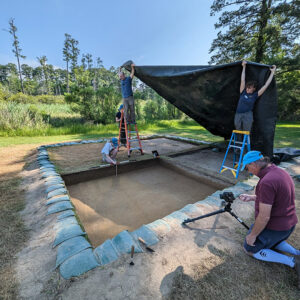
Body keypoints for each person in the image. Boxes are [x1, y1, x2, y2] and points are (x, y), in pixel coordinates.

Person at [239, 150, 300, 289]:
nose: (249, 172)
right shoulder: (279, 171)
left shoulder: (266, 181)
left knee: (249, 247)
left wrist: (253, 236)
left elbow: (264, 216)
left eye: (247, 168)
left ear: (253, 164)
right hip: (289, 225)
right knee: (269, 240)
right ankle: (297, 253)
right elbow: (276, 197)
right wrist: (252, 197)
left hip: (276, 227)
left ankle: (293, 262)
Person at [235, 61, 276, 132]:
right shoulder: (243, 92)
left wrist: (272, 72)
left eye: (249, 87)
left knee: (246, 131)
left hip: (247, 115)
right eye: (247, 87)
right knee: (237, 130)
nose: (247, 89)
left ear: (253, 89)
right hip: (238, 114)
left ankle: (246, 143)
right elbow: (242, 80)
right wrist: (244, 67)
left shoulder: (254, 95)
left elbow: (266, 85)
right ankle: (239, 143)